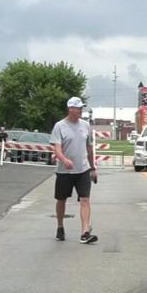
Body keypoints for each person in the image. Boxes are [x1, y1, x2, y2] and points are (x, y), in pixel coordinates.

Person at [50, 97, 98, 244]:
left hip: (83, 169)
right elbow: (57, 149)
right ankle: (60, 226)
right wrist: (64, 160)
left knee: (85, 199)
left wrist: (92, 167)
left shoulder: (85, 125)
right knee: (61, 199)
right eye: (78, 108)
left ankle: (85, 232)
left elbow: (89, 147)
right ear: (71, 109)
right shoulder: (60, 126)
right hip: (65, 171)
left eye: (81, 108)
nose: (80, 111)